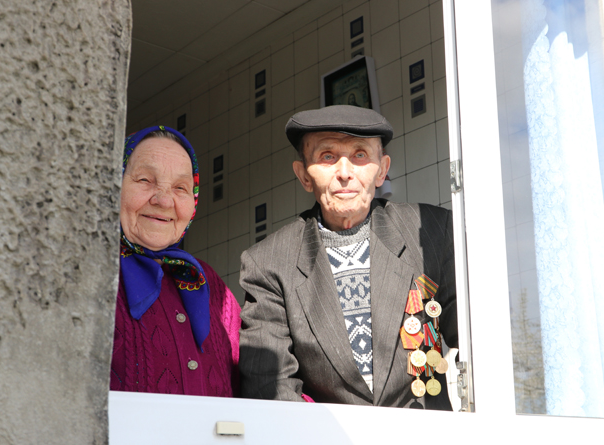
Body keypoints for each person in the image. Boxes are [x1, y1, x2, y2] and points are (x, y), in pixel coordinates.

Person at [239, 105, 457, 409]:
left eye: (360, 155)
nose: (344, 173)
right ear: (303, 175)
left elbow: (480, 341)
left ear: (382, 170)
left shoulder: (430, 232)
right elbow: (270, 386)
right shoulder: (268, 263)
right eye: (328, 156)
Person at [110, 126, 241, 396]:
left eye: (180, 188)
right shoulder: (87, 273)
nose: (163, 200)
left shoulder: (207, 281)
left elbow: (253, 384)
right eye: (145, 180)